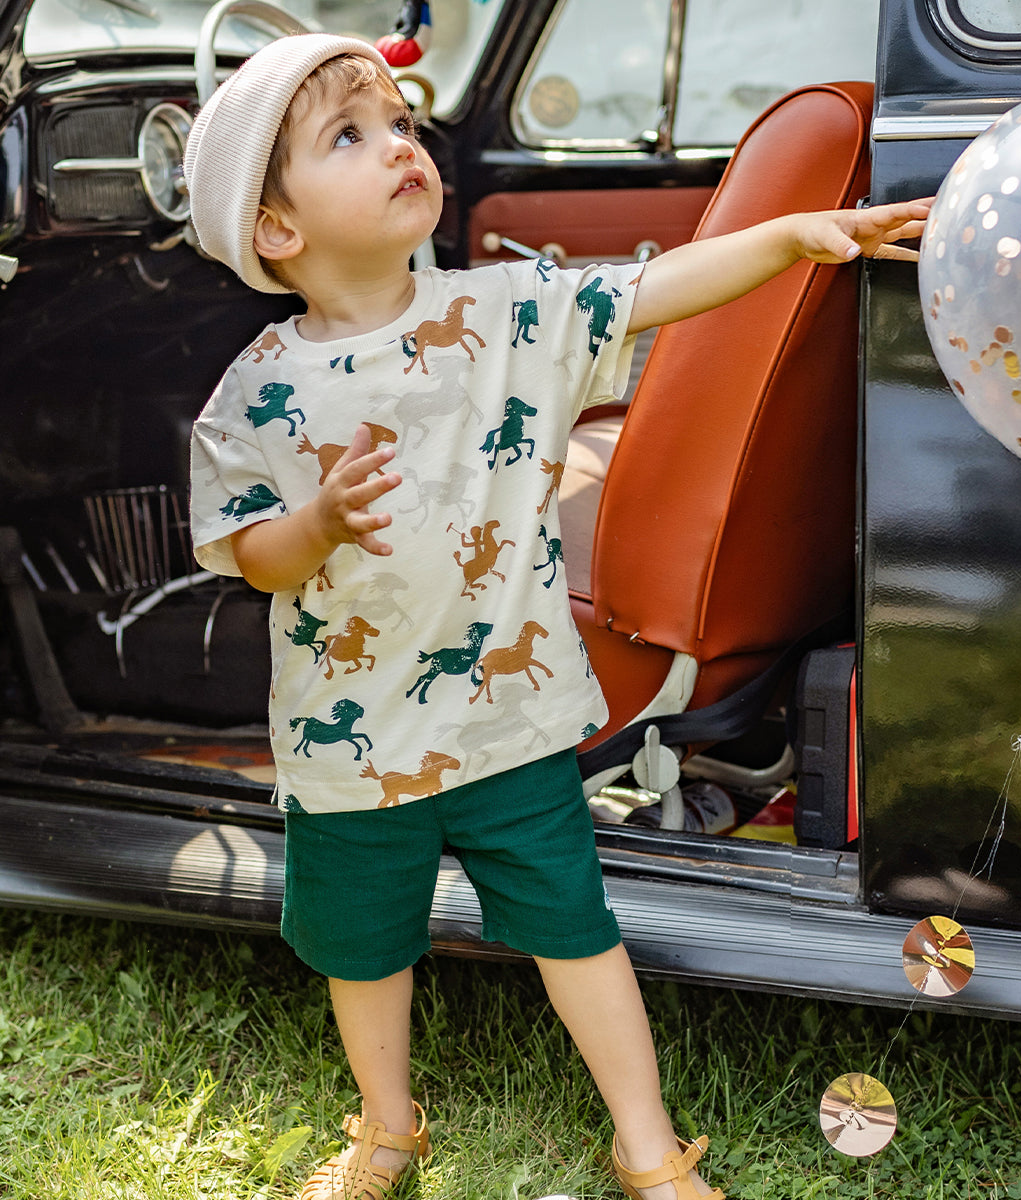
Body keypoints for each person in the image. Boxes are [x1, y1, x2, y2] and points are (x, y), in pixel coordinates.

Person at [185, 32, 928, 1200]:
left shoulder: (507, 314)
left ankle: (648, 1144)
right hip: (355, 751)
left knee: (577, 930)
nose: (401, 147)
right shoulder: (255, 396)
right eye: (351, 135)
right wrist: (319, 522)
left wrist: (790, 238)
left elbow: (653, 290)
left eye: (402, 124)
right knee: (364, 953)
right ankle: (387, 1128)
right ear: (276, 229)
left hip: (509, 726)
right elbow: (254, 559)